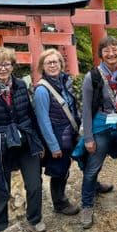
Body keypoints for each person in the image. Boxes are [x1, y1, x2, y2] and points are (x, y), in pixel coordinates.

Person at [0, 47, 46, 232]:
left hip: (24, 141)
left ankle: (34, 218)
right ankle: (0, 226)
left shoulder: (20, 85)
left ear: (12, 66)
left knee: (35, 184)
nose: (3, 68)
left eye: (7, 64)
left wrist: (39, 142)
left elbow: (31, 114)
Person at [79, 35, 117, 229]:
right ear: (101, 54)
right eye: (106, 50)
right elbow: (85, 109)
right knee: (93, 166)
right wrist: (88, 137)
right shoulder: (92, 76)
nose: (111, 53)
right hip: (101, 122)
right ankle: (86, 205)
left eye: (115, 49)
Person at [33, 49, 81, 216]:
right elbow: (43, 121)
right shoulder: (41, 90)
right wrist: (53, 146)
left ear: (61, 64)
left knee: (79, 161)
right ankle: (60, 203)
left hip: (70, 132)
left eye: (56, 62)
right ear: (42, 67)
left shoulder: (65, 81)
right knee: (60, 170)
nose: (53, 65)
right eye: (49, 63)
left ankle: (93, 185)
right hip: (57, 136)